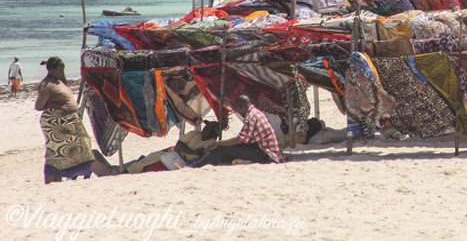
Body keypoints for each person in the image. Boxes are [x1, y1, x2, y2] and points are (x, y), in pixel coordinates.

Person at [34, 56, 95, 184]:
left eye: (63, 71)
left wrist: (62, 77)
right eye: (60, 71)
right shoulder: (46, 85)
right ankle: (50, 184)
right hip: (56, 123)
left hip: (68, 121)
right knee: (55, 153)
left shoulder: (58, 81)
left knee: (74, 150)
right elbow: (39, 106)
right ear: (52, 70)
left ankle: (60, 180)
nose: (63, 73)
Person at [92, 120, 221, 175]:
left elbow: (199, 154)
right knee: (145, 160)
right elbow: (179, 144)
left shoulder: (211, 143)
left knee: (144, 164)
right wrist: (192, 151)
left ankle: (123, 173)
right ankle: (122, 170)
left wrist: (188, 151)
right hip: (173, 152)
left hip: (177, 160)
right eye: (206, 127)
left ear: (214, 134)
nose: (205, 130)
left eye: (209, 129)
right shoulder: (195, 134)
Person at [194, 95, 285, 167]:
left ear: (241, 106)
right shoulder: (256, 112)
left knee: (220, 149)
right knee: (229, 148)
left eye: (239, 109)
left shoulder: (251, 116)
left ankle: (196, 166)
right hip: (265, 150)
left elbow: (240, 139)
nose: (240, 112)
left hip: (263, 153)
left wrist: (219, 143)